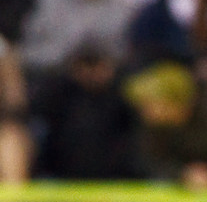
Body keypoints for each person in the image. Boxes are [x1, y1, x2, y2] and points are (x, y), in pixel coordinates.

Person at [124, 60, 207, 186]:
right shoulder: (154, 127)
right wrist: (183, 174)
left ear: (173, 101)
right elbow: (152, 162)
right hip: (181, 185)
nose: (145, 111)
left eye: (150, 104)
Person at [31, 41, 142, 178]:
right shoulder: (61, 92)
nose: (92, 72)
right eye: (85, 64)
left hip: (118, 178)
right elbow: (35, 109)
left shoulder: (123, 93)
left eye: (97, 64)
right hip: (63, 176)